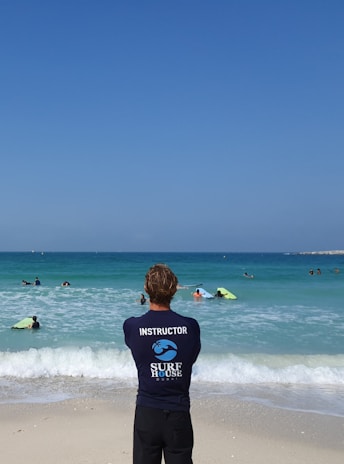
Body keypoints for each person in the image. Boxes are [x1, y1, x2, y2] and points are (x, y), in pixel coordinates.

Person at [123, 263, 201, 464]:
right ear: (173, 290)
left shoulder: (132, 326)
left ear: (146, 289)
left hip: (147, 412)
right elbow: (190, 358)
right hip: (178, 412)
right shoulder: (190, 327)